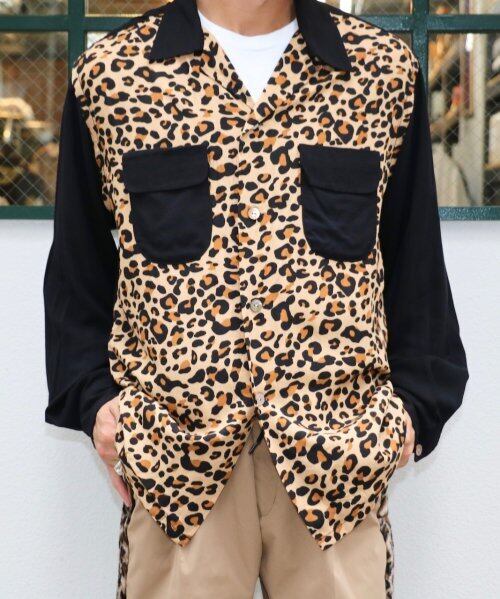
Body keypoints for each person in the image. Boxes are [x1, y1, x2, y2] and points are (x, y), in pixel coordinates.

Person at [43, 1, 469, 597]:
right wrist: (96, 406)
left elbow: (414, 262)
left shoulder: (381, 72)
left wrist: (410, 415)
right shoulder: (112, 75)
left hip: (337, 460)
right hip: (177, 463)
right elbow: (78, 266)